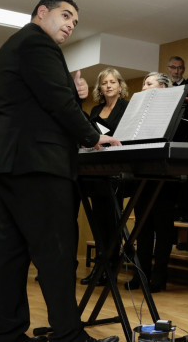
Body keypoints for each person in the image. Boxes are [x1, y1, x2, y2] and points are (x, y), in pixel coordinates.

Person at [0, 0, 120, 342]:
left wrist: (75, 96)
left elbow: (39, 99)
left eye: (75, 20)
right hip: (37, 162)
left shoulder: (10, 47)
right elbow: (56, 102)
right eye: (66, 15)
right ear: (42, 13)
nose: (71, 24)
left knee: (10, 252)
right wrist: (92, 136)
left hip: (8, 162)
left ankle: (8, 333)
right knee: (56, 252)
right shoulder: (38, 43)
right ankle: (69, 335)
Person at [125, 71, 178, 293]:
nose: (144, 88)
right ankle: (141, 274)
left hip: (165, 177)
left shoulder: (174, 111)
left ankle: (159, 277)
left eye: (149, 84)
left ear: (163, 88)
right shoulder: (138, 112)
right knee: (142, 227)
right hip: (142, 174)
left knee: (163, 229)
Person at [80, 68, 130, 286]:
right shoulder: (95, 109)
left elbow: (126, 136)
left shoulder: (126, 107)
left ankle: (109, 269)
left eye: (112, 82)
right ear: (99, 88)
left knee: (112, 222)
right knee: (98, 222)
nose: (108, 86)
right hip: (95, 171)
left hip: (115, 172)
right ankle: (100, 267)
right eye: (104, 83)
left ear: (120, 85)